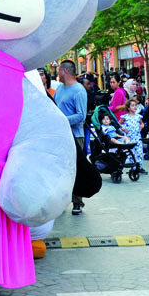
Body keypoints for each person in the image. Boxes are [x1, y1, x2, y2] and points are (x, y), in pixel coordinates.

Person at [54, 60, 88, 215]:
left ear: (64, 72)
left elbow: (81, 116)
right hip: (59, 135)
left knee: (75, 169)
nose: (57, 74)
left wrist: (62, 120)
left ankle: (77, 202)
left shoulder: (79, 91)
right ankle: (60, 202)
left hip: (75, 136)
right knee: (59, 169)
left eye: (59, 71)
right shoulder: (59, 88)